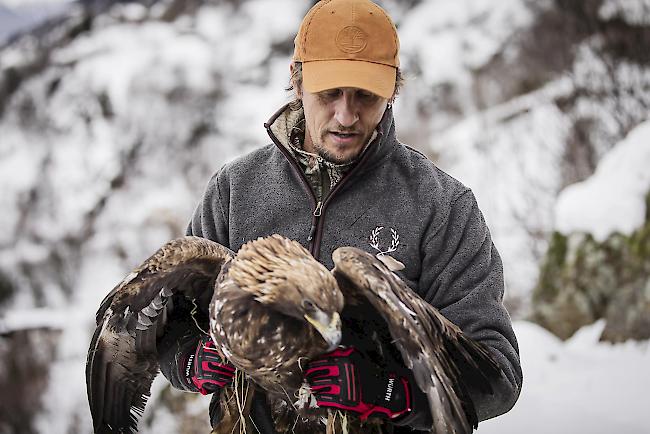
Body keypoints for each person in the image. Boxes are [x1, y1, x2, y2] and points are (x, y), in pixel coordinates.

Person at [157, 0, 522, 432]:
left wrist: (391, 392)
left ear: (392, 92)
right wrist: (190, 360)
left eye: (365, 95)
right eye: (329, 93)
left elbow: (497, 374)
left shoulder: (442, 205)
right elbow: (172, 323)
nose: (346, 116)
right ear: (297, 82)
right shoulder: (235, 190)